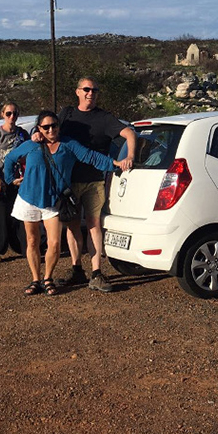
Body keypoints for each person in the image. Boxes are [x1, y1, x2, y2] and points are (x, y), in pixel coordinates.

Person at [4, 110, 134, 296]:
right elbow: (10, 158)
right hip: (29, 199)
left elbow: (91, 156)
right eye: (46, 127)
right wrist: (11, 179)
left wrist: (116, 163)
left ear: (59, 126)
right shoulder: (32, 145)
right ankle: (35, 279)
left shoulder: (68, 145)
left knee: (54, 243)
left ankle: (48, 278)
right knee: (32, 241)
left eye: (54, 126)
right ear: (39, 128)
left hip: (53, 201)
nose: (50, 130)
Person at [54, 77, 137, 293]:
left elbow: (129, 133)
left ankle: (97, 272)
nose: (91, 93)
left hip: (94, 180)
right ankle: (76, 269)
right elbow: (49, 131)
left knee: (94, 225)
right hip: (69, 181)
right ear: (78, 92)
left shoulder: (105, 118)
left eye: (95, 90)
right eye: (87, 89)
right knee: (72, 226)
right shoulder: (67, 115)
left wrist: (130, 155)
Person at [0, 102, 29, 263]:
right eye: (8, 113)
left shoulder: (22, 134)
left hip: (18, 180)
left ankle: (25, 248)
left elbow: (28, 155)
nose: (12, 117)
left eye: (15, 113)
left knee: (21, 216)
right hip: (0, 180)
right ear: (2, 114)